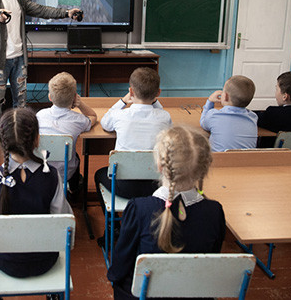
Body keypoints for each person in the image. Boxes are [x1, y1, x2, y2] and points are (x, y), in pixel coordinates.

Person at [107, 126, 225, 300]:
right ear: (204, 169)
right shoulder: (214, 211)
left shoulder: (139, 209)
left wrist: (114, 278)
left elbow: (121, 264)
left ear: (160, 165)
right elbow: (211, 261)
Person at [0, 0, 82, 150]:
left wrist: (67, 13)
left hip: (19, 58)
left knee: (20, 101)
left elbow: (42, 10)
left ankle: (19, 134)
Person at [0, 107, 72, 279]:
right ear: (37, 139)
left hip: (6, 261)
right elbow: (63, 220)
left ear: (2, 141)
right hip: (45, 260)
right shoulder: (51, 175)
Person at [94, 67, 171, 200]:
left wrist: (122, 102)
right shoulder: (164, 117)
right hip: (155, 186)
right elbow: (163, 115)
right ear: (158, 93)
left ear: (131, 91)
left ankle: (114, 214)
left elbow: (105, 123)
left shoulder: (119, 115)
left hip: (124, 187)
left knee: (99, 174)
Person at [36, 71, 97, 194]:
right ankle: (74, 188)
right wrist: (80, 104)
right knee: (75, 157)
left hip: (41, 169)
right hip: (65, 173)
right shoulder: (78, 120)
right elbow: (93, 116)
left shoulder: (39, 115)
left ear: (50, 97)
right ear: (75, 98)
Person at [200, 75, 258, 152]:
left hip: (218, 159)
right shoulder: (253, 117)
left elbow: (203, 123)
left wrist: (210, 101)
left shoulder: (214, 115)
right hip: (246, 159)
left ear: (225, 96)